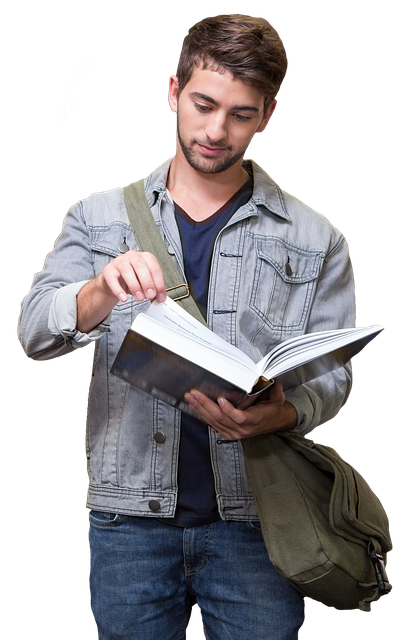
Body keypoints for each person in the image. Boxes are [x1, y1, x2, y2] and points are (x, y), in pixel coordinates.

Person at [17, 13, 356, 640]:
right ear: (173, 91)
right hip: (128, 522)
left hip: (257, 520)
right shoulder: (95, 218)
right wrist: (98, 289)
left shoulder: (317, 239)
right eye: (203, 105)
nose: (216, 130)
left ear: (269, 116)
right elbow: (34, 333)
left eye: (241, 115)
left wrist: (279, 414)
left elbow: (331, 381)